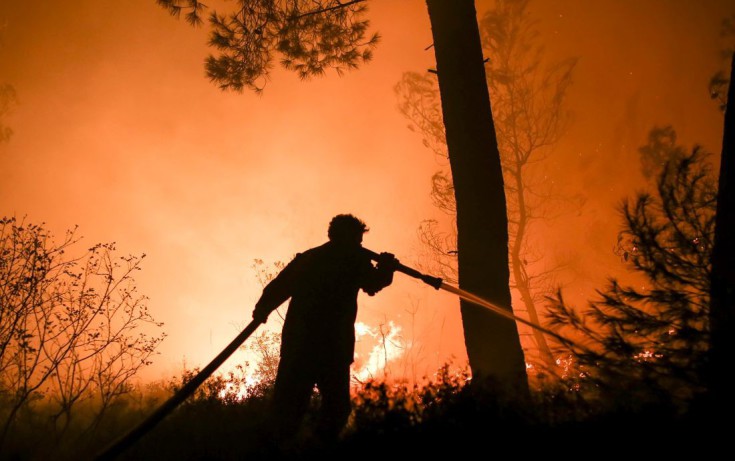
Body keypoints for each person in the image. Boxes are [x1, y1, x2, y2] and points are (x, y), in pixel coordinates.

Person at [252, 214, 397, 444]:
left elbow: (278, 287)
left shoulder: (309, 258)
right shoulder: (353, 261)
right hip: (331, 350)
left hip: (299, 347)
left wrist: (262, 309)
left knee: (288, 410)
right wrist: (387, 268)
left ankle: (281, 449)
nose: (360, 246)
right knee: (335, 410)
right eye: (357, 241)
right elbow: (373, 283)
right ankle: (315, 448)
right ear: (345, 238)